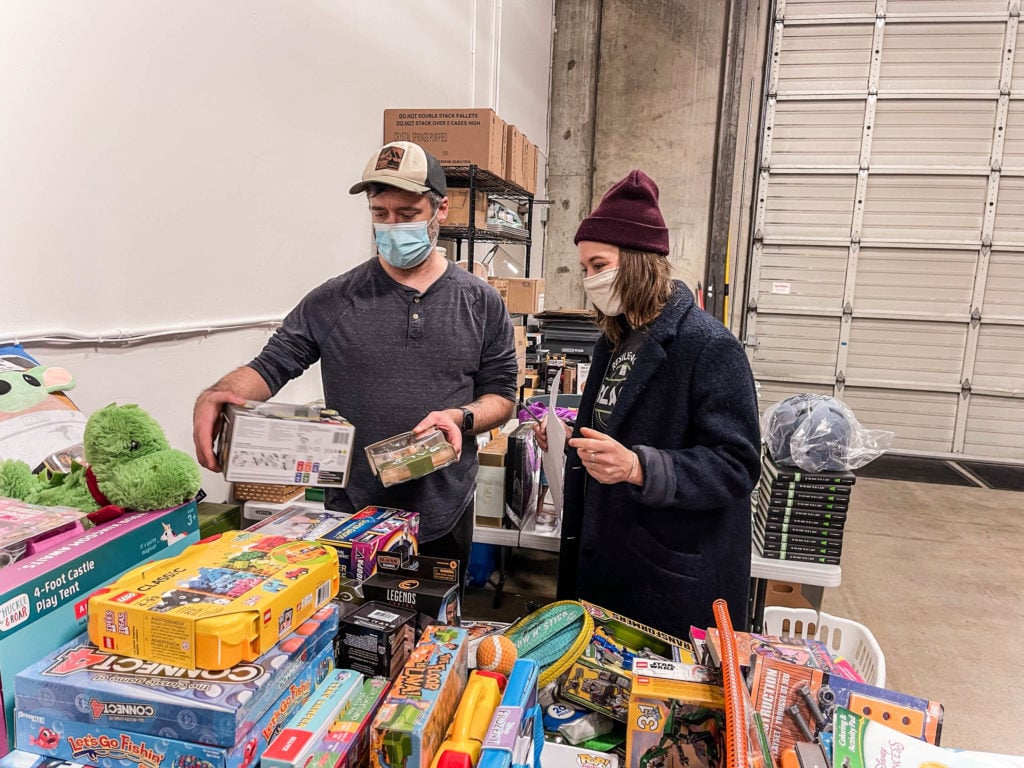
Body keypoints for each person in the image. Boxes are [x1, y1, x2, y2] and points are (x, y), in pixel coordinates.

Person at [193, 141, 518, 574]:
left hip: (443, 512)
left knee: (434, 636)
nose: (391, 226)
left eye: (407, 215)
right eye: (380, 214)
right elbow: (272, 365)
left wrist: (460, 418)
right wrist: (218, 393)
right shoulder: (335, 299)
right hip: (352, 518)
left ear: (440, 210)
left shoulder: (480, 302)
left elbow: (502, 395)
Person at [538, 170, 761, 639]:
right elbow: (610, 429)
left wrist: (640, 467)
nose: (590, 280)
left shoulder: (708, 346)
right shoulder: (614, 340)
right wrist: (567, 441)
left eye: (599, 265)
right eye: (585, 269)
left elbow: (736, 465)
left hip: (666, 573)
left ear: (639, 261)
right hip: (608, 555)